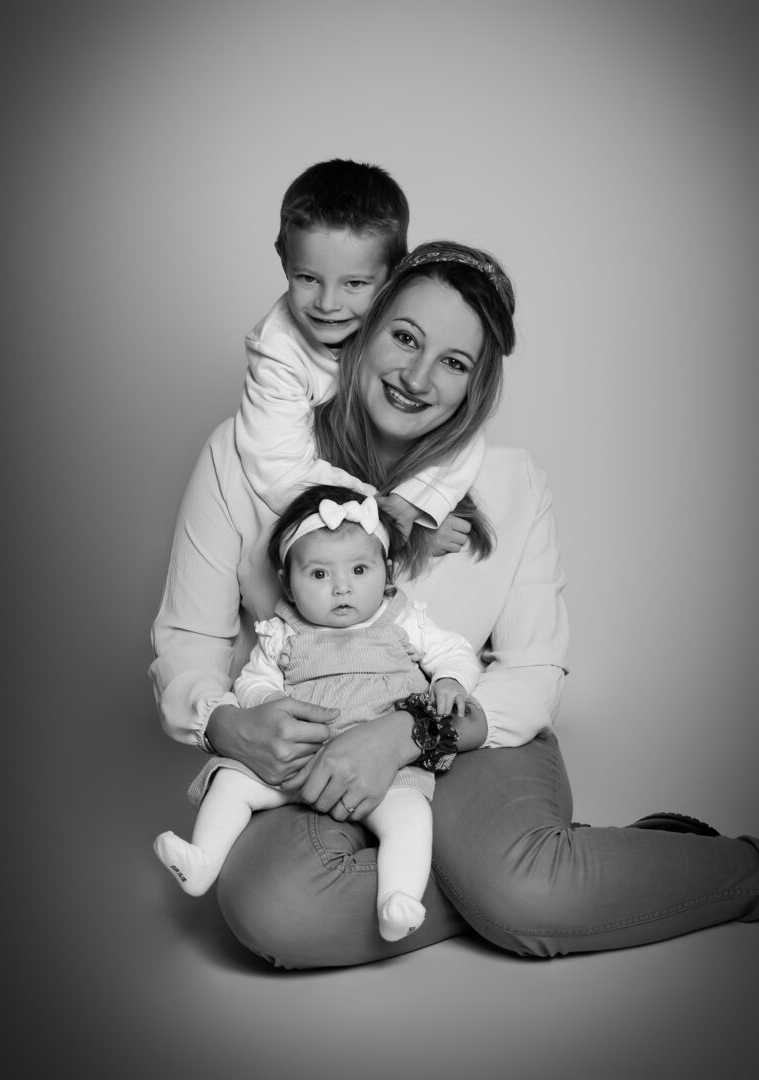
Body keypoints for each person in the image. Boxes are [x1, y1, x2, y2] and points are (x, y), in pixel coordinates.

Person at [150, 240, 758, 969]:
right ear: (364, 329)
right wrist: (229, 724)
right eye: (404, 338)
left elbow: (531, 671)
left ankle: (719, 873)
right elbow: (189, 636)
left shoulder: (513, 483)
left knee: (525, 898)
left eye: (453, 362)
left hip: (468, 738)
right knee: (272, 906)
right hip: (316, 747)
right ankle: (524, 871)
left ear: (476, 385)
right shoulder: (243, 456)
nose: (415, 377)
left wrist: (410, 736)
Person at [154, 486, 481, 941]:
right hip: (300, 756)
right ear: (288, 583)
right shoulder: (282, 631)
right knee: (231, 782)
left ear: (387, 574)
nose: (342, 587)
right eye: (320, 574)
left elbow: (454, 651)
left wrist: (449, 680)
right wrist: (267, 703)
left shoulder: (402, 619)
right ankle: (202, 860)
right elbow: (253, 680)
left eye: (360, 570)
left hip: (384, 765)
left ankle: (399, 899)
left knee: (409, 816)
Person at [235, 159, 487, 543]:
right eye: (307, 278)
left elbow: (462, 434)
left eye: (354, 283)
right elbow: (280, 473)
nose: (328, 304)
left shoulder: (390, 325)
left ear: (393, 277)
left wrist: (417, 505)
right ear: (283, 256)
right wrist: (385, 513)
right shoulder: (278, 350)